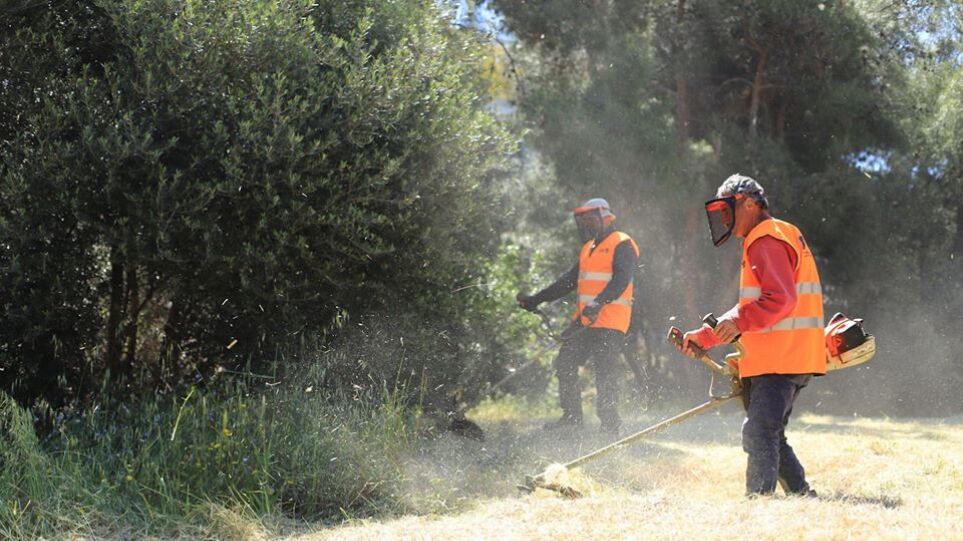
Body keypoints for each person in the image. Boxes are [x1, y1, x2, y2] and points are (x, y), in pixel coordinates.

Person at [676, 174, 824, 497]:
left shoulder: (764, 238)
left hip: (780, 359)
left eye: (729, 210)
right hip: (792, 355)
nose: (725, 219)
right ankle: (802, 494)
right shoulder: (782, 232)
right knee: (771, 433)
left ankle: (758, 504)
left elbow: (780, 300)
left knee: (759, 433)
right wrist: (706, 337)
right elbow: (753, 307)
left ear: (751, 203)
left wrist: (738, 322)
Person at [517, 198, 639, 437]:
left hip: (611, 322)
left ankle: (610, 424)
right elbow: (567, 282)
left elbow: (622, 279)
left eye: (591, 219)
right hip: (585, 321)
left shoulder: (622, 243)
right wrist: (536, 299)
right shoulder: (587, 249)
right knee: (565, 362)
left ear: (606, 217)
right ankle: (572, 418)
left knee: (605, 372)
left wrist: (598, 302)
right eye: (584, 221)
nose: (587, 224)